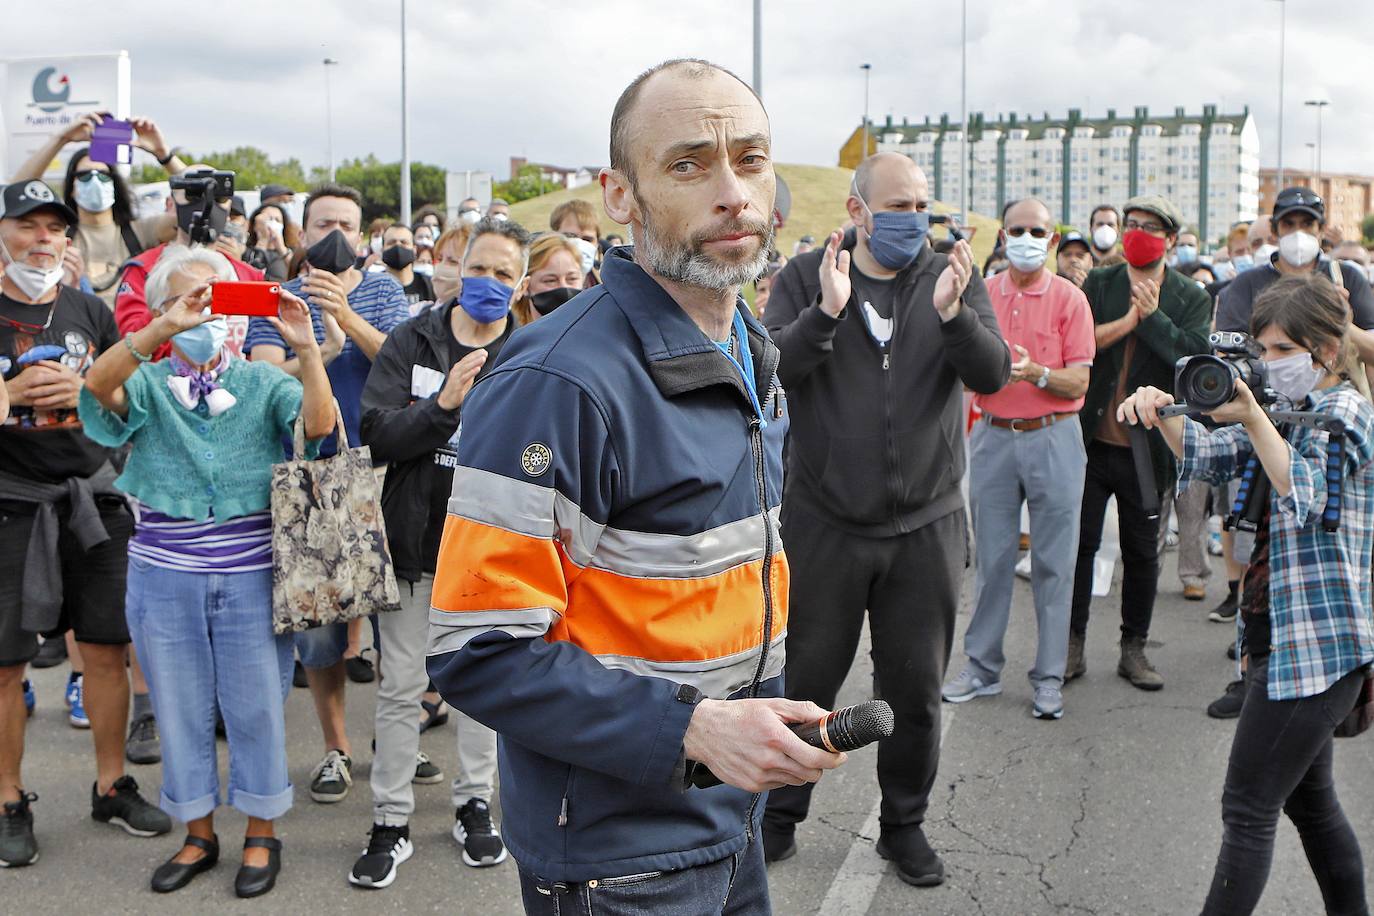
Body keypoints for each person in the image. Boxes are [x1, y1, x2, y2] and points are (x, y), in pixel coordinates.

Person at [427, 58, 844, 914]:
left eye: (752, 159)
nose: (733, 192)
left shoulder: (749, 347)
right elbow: (477, 650)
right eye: (688, 164)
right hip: (619, 862)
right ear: (620, 196)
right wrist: (694, 729)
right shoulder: (557, 381)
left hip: (729, 820)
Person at [762, 150, 1009, 886]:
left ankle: (904, 826)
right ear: (856, 210)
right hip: (827, 525)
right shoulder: (809, 276)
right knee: (804, 683)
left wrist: (956, 317)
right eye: (896, 205)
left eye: (921, 205)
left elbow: (992, 374)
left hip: (925, 528)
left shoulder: (950, 275)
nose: (913, 219)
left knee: (914, 695)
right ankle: (779, 817)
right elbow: (770, 368)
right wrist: (826, 313)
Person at [79, 246, 334, 897]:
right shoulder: (149, 379)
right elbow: (97, 388)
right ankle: (197, 832)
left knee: (255, 708)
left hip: (252, 575)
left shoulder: (261, 380)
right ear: (164, 308)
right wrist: (159, 330)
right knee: (179, 708)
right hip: (164, 577)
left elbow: (319, 429)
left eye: (217, 301)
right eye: (192, 300)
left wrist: (305, 350)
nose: (206, 314)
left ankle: (260, 832)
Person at [1118, 274, 1374, 916]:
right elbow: (1208, 455)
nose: (1269, 363)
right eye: (1263, 349)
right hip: (1280, 637)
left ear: (1326, 349)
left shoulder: (1346, 413)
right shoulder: (1284, 408)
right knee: (1310, 806)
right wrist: (1161, 413)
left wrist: (1257, 415)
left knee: (1247, 808)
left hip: (1321, 647)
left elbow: (1307, 494)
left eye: (1284, 349)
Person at [350, 217, 530, 888]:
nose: (489, 283)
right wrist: (446, 406)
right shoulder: (413, 339)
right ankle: (390, 819)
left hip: (490, 554)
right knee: (400, 689)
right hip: (414, 546)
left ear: (521, 284)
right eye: (479, 268)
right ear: (456, 270)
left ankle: (474, 804)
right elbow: (377, 433)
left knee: (481, 688)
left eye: (504, 273)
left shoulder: (530, 349)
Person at [0, 180, 170, 868]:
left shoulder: (86, 309)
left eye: (55, 230)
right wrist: (10, 393)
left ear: (70, 241)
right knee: (6, 665)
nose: (43, 240)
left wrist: (87, 388)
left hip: (92, 503)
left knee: (105, 648)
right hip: (11, 503)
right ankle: (9, 798)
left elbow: (125, 400)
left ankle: (111, 784)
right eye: (27, 227)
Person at [246, 182, 410, 806]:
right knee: (318, 628)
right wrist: (315, 351)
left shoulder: (384, 290)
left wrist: (344, 314)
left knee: (394, 623)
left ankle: (396, 740)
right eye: (321, 223)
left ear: (364, 235)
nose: (333, 233)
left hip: (383, 470)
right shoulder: (276, 296)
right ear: (301, 232)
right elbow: (260, 375)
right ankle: (336, 746)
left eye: (345, 222)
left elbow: (398, 362)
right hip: (313, 474)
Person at [942, 198, 1094, 721]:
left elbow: (1080, 380)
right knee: (993, 560)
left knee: (1055, 564)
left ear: (1052, 241)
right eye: (1016, 230)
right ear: (1002, 237)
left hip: (1055, 437)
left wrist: (1036, 374)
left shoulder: (1071, 300)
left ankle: (1048, 676)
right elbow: (961, 369)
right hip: (994, 436)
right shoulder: (980, 295)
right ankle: (982, 668)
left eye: (1037, 231)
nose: (1026, 238)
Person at [1066, 194, 1212, 690]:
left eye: (1150, 227)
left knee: (1143, 553)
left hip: (1149, 450)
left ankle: (1134, 649)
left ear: (1170, 240)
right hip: (1091, 442)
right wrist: (1128, 321)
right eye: (1131, 224)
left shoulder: (1191, 296)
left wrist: (1152, 319)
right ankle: (1072, 646)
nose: (1137, 232)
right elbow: (1079, 345)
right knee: (1079, 546)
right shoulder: (1101, 282)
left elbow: (1192, 362)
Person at [8, 114, 185, 308]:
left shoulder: (143, 230)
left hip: (134, 334)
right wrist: (61, 139)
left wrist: (163, 154)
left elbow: (207, 201)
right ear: (72, 187)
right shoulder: (59, 236)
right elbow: (14, 197)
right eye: (84, 176)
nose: (94, 181)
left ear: (114, 183)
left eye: (103, 175)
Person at [1216, 188, 1374, 397]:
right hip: (1263, 404)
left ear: (1321, 229)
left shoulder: (1346, 277)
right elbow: (1226, 352)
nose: (1298, 232)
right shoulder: (1247, 283)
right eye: (1288, 224)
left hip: (1331, 404)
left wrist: (1340, 323)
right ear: (1275, 230)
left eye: (1307, 224)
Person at [114, 166, 266, 361]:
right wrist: (168, 309)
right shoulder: (143, 269)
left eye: (218, 197)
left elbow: (261, 347)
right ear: (170, 204)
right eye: (193, 195)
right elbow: (128, 345)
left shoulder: (248, 275)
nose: (206, 203)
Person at [510, 233, 585, 326]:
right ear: (525, 285)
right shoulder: (513, 338)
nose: (563, 286)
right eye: (550, 280)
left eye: (572, 278)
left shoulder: (598, 333)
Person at [379, 223, 434, 306]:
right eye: (391, 243)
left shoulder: (429, 285)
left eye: (404, 242)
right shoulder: (373, 286)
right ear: (382, 250)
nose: (398, 246)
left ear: (414, 249)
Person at [549, 199, 601, 282]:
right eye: (570, 236)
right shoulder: (537, 285)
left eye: (587, 239)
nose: (579, 244)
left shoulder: (609, 285)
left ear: (597, 243)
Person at [243, 203, 293, 282]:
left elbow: (297, 271)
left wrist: (282, 248)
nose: (273, 223)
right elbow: (250, 274)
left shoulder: (290, 251)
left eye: (277, 220)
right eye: (268, 219)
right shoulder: (246, 251)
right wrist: (263, 239)